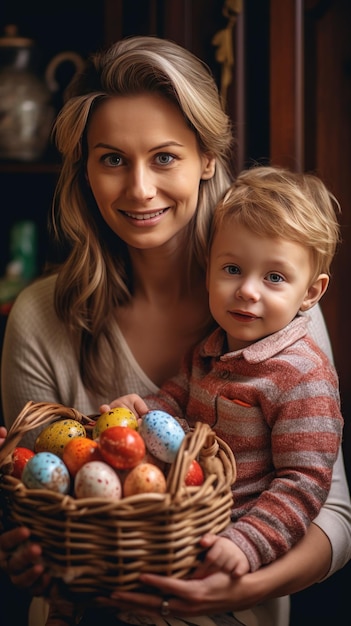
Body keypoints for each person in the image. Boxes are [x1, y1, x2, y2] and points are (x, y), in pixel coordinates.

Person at [0, 35, 350, 626]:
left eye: (164, 156)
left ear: (207, 158)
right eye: (112, 158)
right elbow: (44, 492)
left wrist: (237, 587)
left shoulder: (278, 307)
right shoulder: (40, 320)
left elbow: (333, 512)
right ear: (86, 170)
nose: (139, 189)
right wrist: (27, 546)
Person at [105, 165, 344, 579]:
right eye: (232, 269)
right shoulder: (210, 349)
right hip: (180, 519)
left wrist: (246, 543)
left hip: (232, 537)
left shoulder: (302, 377)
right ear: (209, 267)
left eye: (274, 277)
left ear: (310, 293)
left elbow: (304, 482)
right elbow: (174, 399)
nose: (247, 290)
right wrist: (140, 414)